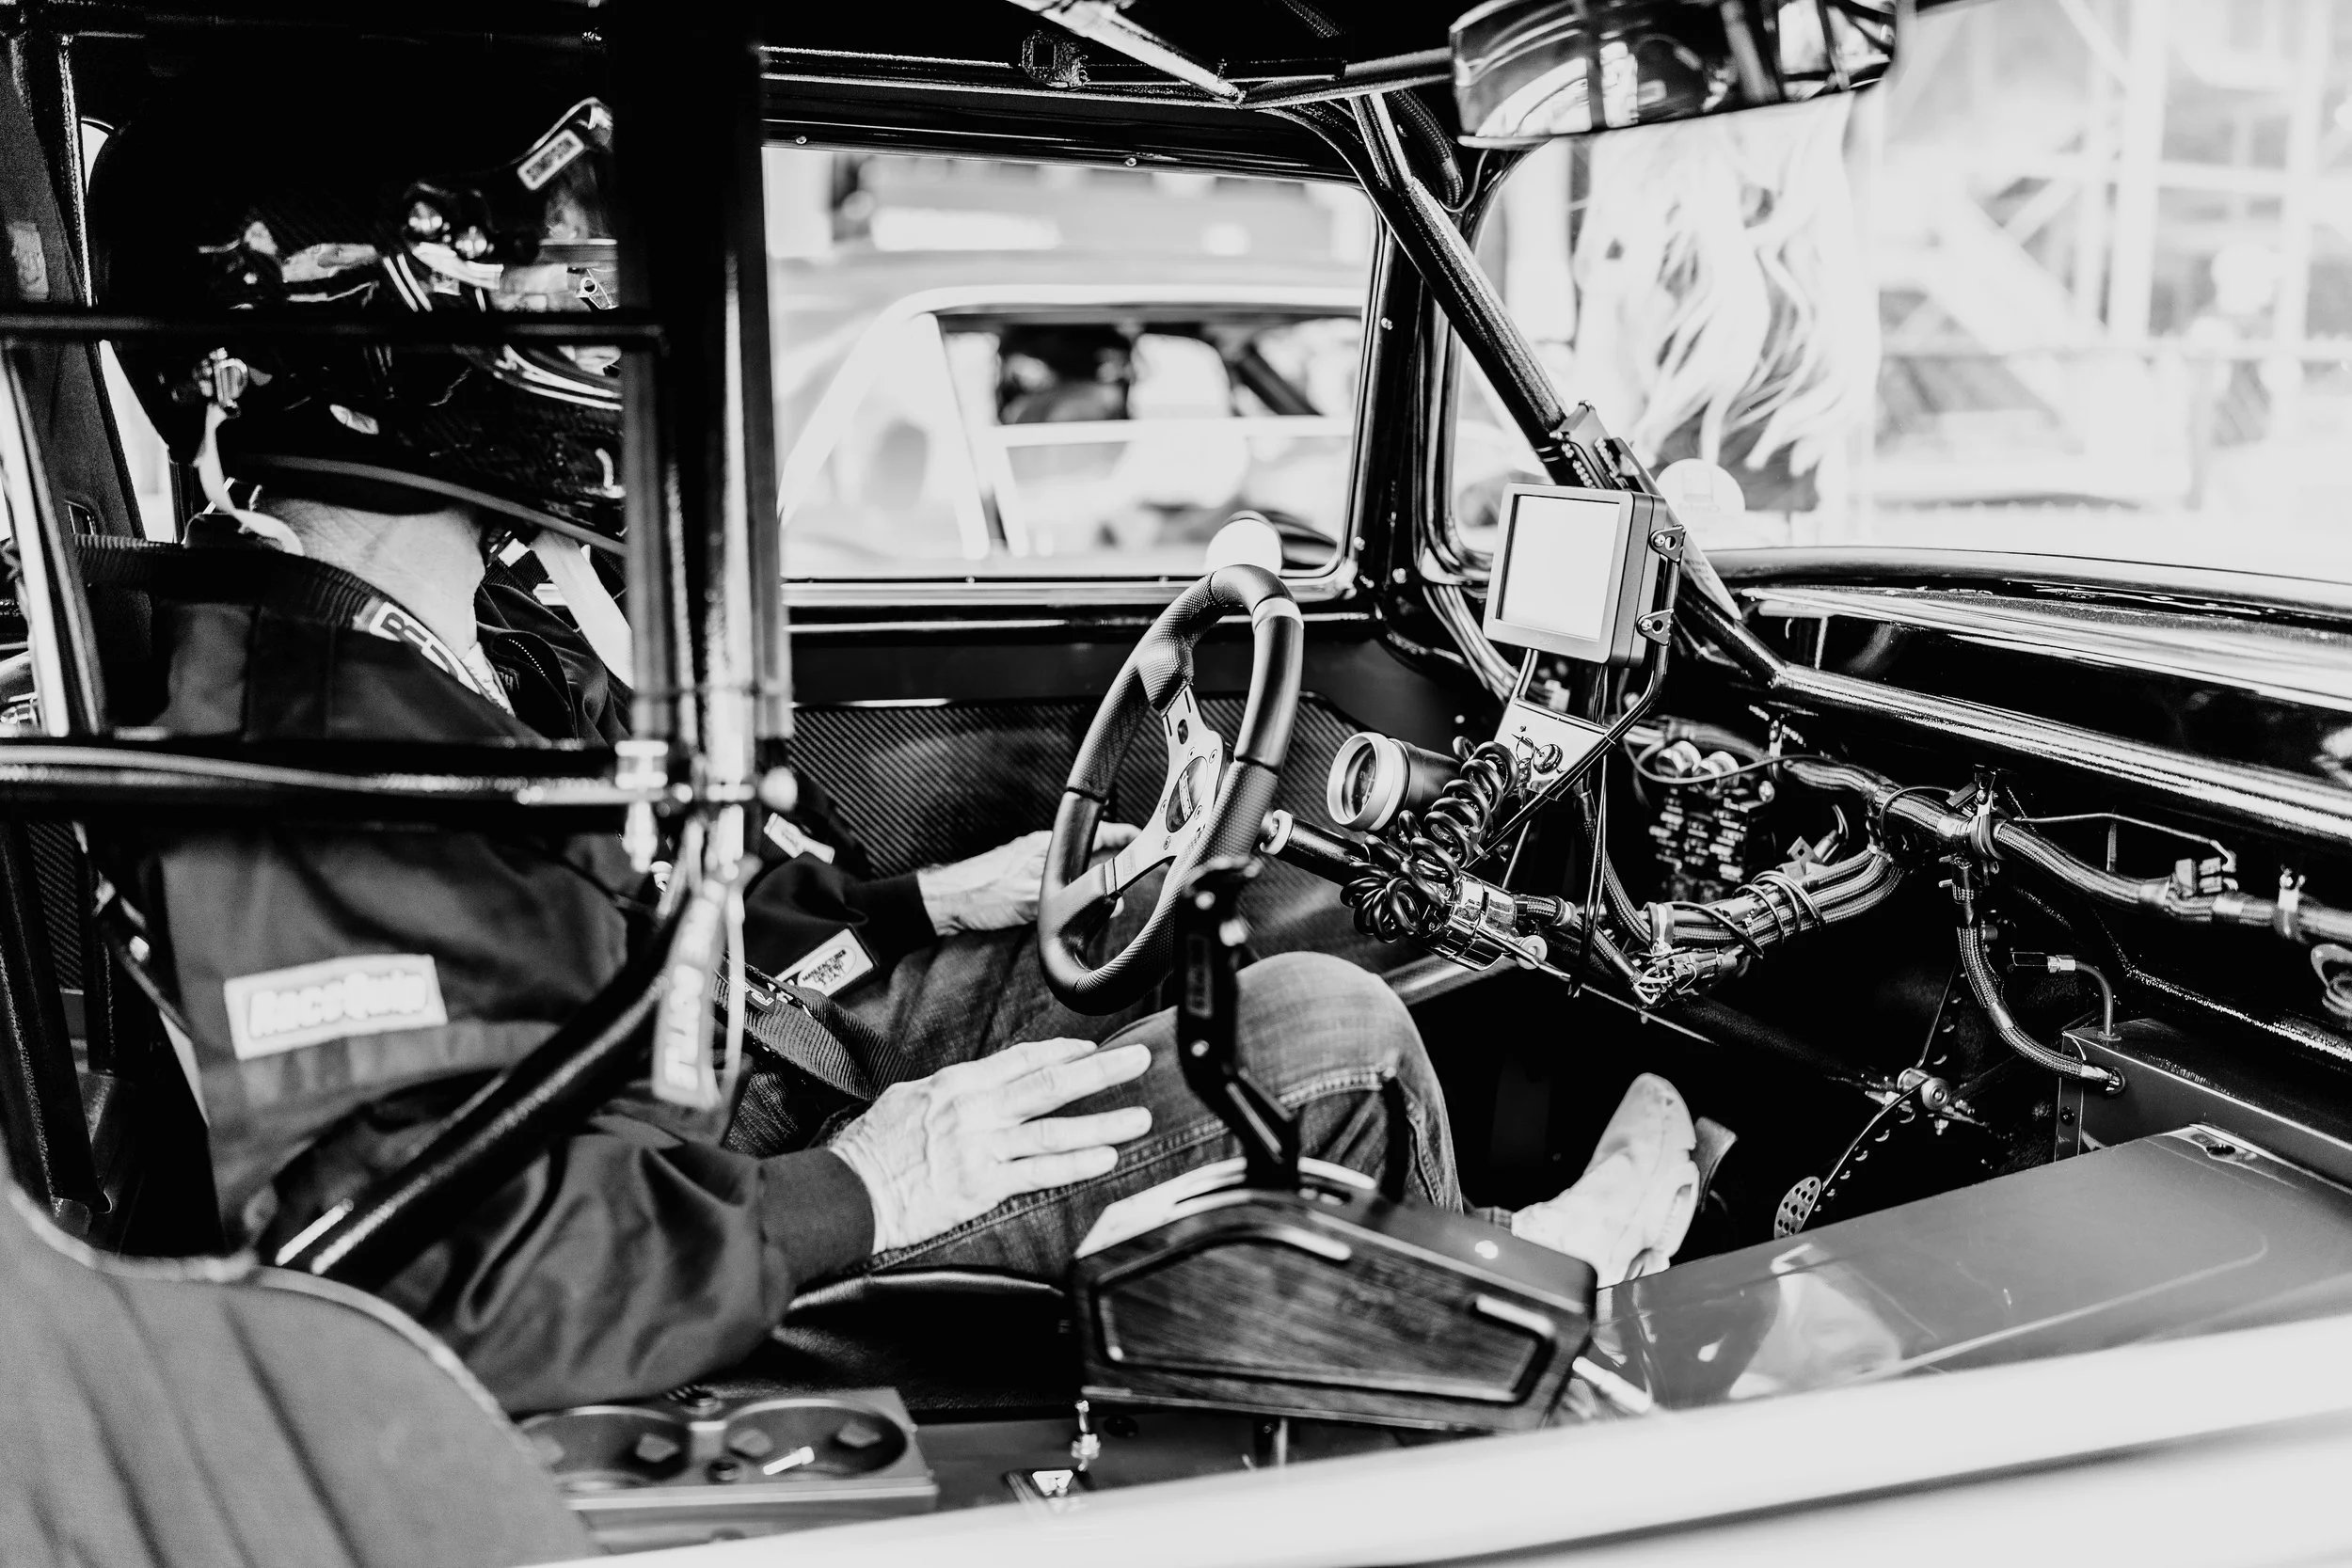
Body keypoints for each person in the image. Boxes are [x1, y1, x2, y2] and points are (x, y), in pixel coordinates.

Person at [87, 71, 1701, 1414]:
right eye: (547, 276)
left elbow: (658, 939)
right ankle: (1521, 1331)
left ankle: (1477, 1266)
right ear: (365, 339)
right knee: (1321, 1032)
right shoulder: (324, 748)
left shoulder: (432, 640)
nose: (608, 315)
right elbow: (432, 1287)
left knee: (1206, 959)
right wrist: (874, 1180)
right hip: (736, 1204)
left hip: (737, 1095)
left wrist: (926, 908)